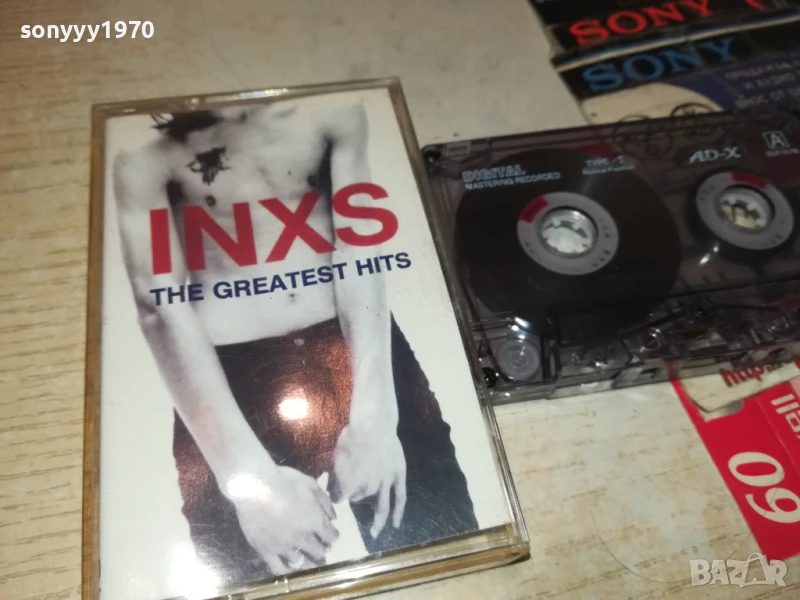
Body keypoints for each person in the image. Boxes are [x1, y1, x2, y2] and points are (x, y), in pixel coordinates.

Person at [111, 96, 478, 586]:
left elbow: (359, 250)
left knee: (445, 549)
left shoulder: (332, 113)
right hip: (230, 385)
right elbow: (161, 307)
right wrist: (247, 478)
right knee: (249, 581)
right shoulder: (145, 156)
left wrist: (376, 420)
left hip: (353, 349)